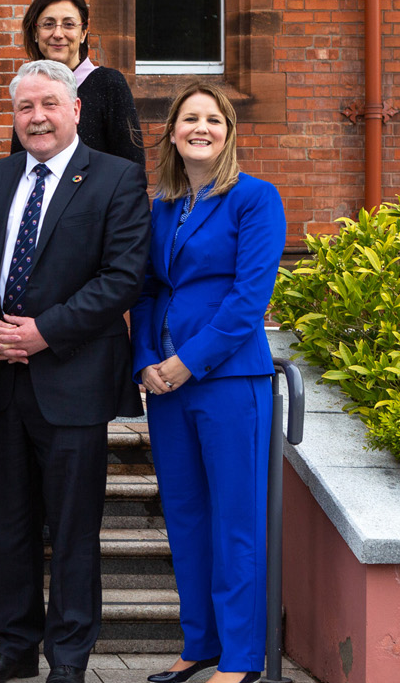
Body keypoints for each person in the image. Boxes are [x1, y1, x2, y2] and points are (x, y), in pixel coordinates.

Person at [0, 60, 149, 683]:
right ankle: (13, 646)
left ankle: (68, 658)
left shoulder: (116, 178)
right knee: (7, 526)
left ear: (74, 110)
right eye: (25, 107)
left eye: (48, 105)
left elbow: (122, 277)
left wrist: (44, 332)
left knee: (72, 529)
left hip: (74, 380)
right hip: (2, 380)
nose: (36, 117)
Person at [131, 83, 285, 683]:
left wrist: (187, 362)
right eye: (190, 119)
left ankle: (242, 657)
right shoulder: (163, 206)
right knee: (186, 517)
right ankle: (200, 643)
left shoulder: (255, 198)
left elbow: (249, 300)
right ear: (172, 133)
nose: (201, 128)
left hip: (229, 381)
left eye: (213, 119)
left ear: (228, 133)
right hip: (167, 387)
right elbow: (148, 289)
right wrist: (146, 359)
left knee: (235, 520)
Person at [9, 0, 144, 171]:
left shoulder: (109, 84)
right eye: (48, 24)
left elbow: (132, 167)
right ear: (35, 33)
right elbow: (18, 166)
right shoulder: (28, 90)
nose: (58, 34)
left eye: (69, 24)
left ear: (83, 33)